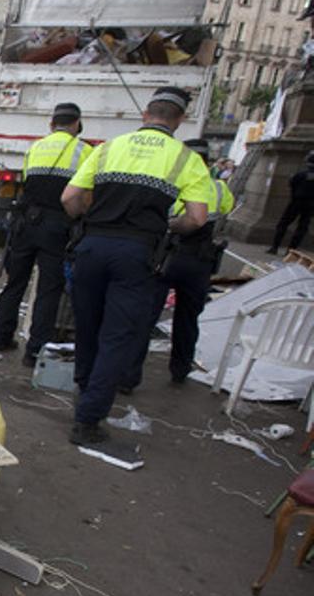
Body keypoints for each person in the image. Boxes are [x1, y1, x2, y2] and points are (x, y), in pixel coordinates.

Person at [61, 86, 212, 446]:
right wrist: (167, 228)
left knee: (87, 324)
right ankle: (88, 420)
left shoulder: (109, 147)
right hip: (137, 253)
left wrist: (90, 220)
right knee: (117, 336)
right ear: (179, 120)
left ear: (145, 114)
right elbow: (197, 218)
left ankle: (86, 389)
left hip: (92, 246)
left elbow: (70, 198)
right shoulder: (186, 158)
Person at [121, 139, 234, 393]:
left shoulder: (171, 184)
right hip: (200, 261)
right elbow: (225, 210)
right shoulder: (218, 188)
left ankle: (128, 378)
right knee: (188, 318)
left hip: (166, 256)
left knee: (145, 317)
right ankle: (180, 370)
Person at [0, 102, 92, 366]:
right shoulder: (84, 151)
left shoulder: (36, 147)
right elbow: (84, 194)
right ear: (77, 124)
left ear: (52, 123)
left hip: (26, 224)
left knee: (15, 284)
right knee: (48, 290)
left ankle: (0, 337)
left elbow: (28, 183)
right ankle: (34, 351)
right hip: (57, 227)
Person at [268, 150, 314, 254]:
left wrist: (294, 196)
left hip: (296, 202)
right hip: (310, 204)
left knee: (283, 224)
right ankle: (291, 250)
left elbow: (292, 185)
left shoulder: (300, 174)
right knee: (302, 227)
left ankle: (275, 247)